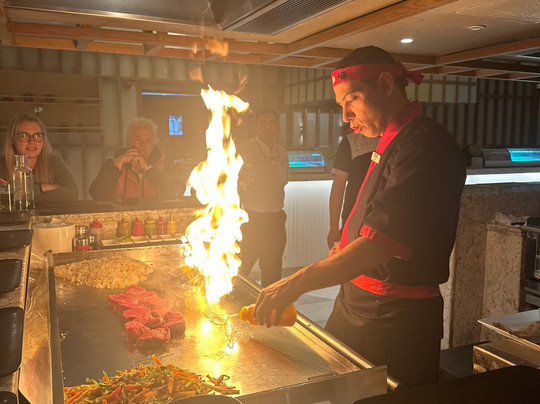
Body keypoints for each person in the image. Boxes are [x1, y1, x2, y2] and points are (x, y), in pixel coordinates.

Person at [251, 46, 466, 388]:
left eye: (352, 99)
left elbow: (379, 245)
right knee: (337, 389)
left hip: (394, 317)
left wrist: (294, 283)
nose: (345, 116)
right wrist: (345, 244)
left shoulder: (425, 146)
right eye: (341, 105)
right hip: (356, 303)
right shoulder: (390, 139)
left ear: (385, 85)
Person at [237, 107, 289, 287]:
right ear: (256, 126)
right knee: (240, 268)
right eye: (263, 122)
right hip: (250, 220)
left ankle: (268, 302)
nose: (268, 127)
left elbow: (283, 181)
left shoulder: (282, 152)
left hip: (275, 220)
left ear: (277, 127)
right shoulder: (243, 150)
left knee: (272, 272)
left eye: (272, 123)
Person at [89, 117, 175, 200]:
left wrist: (148, 169)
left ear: (153, 144)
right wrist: (116, 166)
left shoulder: (165, 163)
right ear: (127, 142)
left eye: (148, 140)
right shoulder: (113, 165)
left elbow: (176, 192)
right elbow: (98, 195)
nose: (143, 144)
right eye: (138, 139)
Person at [0, 113, 78, 204]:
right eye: (24, 135)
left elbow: (73, 193)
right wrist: (46, 188)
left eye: (37, 136)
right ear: (12, 139)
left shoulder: (54, 161)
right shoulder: (1, 165)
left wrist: (34, 189)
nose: (32, 141)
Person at [327, 127, 379, 248]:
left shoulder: (395, 140)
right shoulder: (352, 141)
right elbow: (338, 187)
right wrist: (334, 228)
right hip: (354, 220)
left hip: (385, 224)